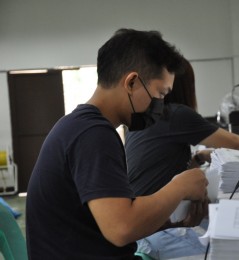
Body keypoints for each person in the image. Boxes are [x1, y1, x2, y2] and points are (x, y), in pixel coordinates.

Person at [25, 29, 209, 260]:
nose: (161, 105)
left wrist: (173, 222)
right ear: (132, 82)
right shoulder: (93, 134)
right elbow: (121, 229)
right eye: (160, 94)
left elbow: (105, 224)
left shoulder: (81, 126)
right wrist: (180, 186)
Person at [125, 58, 239, 259]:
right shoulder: (174, 114)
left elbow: (162, 171)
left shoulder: (143, 120)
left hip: (144, 229)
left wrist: (197, 160)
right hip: (156, 233)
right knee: (235, 250)